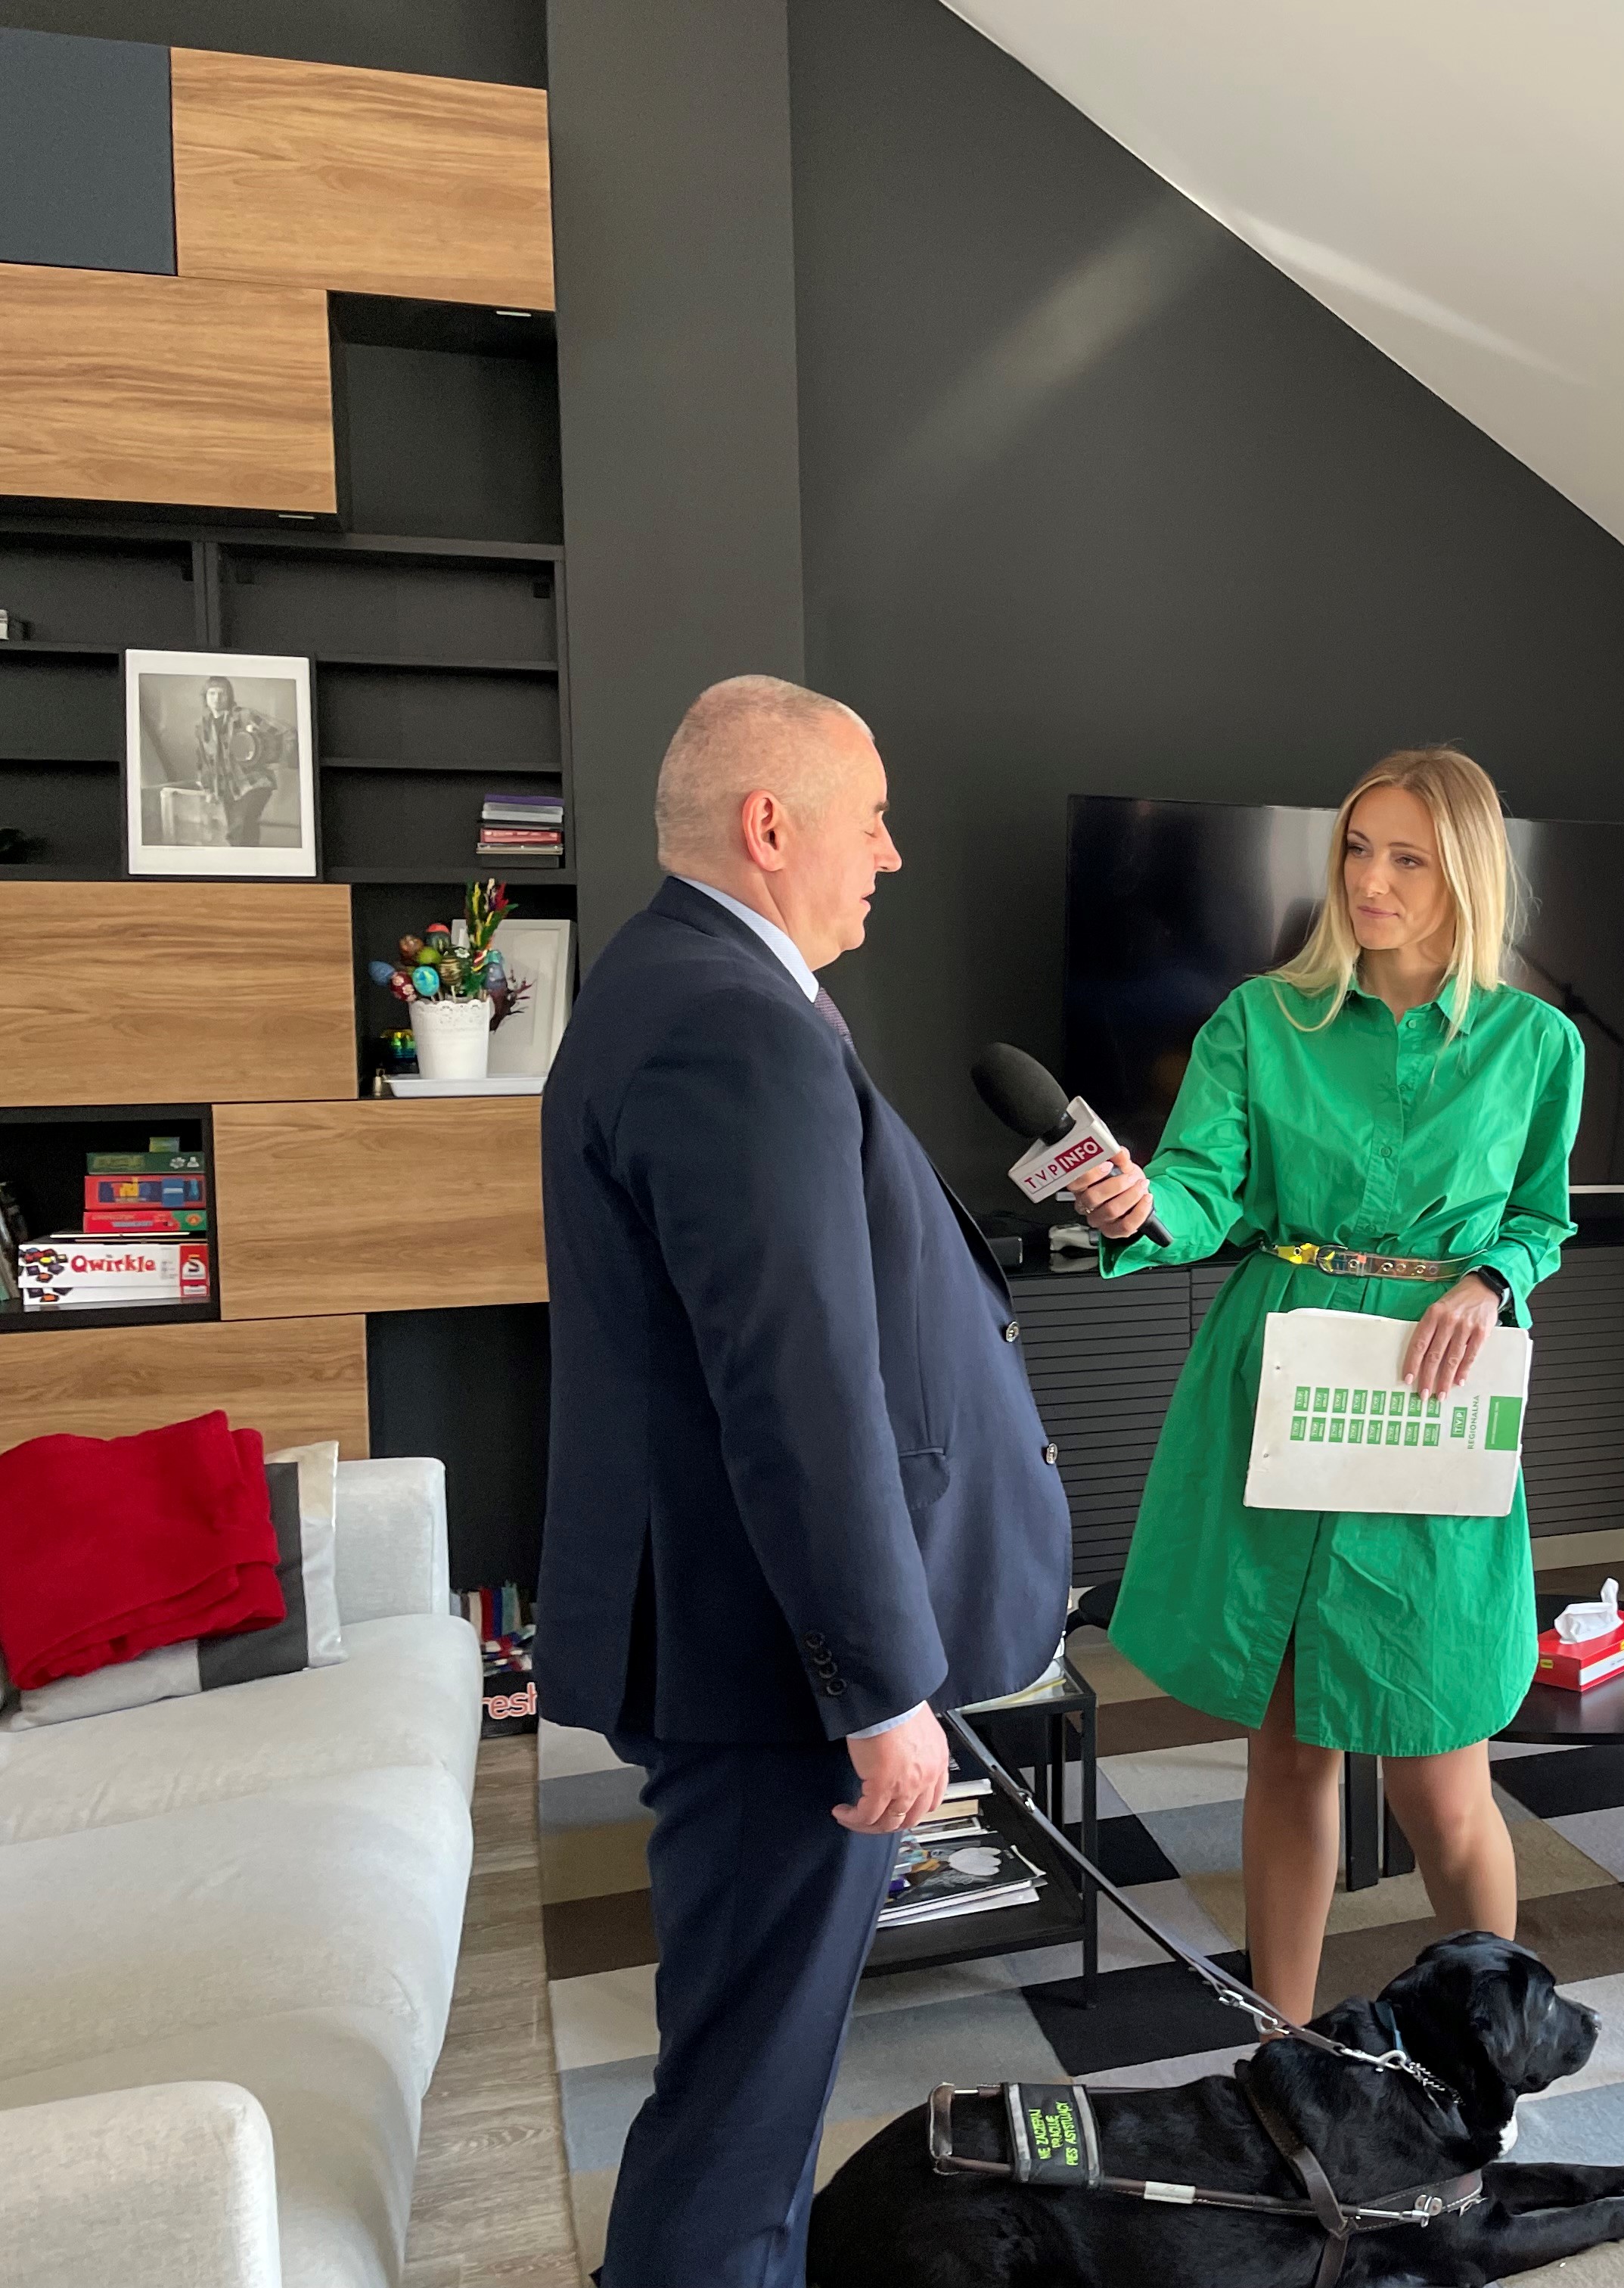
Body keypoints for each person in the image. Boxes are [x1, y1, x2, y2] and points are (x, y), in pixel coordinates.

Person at [536, 675, 1072, 2288]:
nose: (893, 854)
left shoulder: (677, 982)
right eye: (872, 818)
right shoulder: (728, 1020)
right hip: (767, 1665)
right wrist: (880, 1682)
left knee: (746, 2079)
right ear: (768, 826)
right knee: (743, 2102)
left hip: (737, 1637)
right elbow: (794, 1384)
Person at [1066, 745, 1582, 2023]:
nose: (1370, 880)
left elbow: (1541, 1217)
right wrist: (1141, 1204)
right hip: (1284, 1385)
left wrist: (1490, 1280)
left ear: (1466, 875)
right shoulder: (1260, 1020)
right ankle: (1279, 2047)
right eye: (1358, 848)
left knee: (1439, 1776)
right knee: (1291, 1751)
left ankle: (1496, 2064)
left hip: (1434, 1397)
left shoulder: (1537, 1043)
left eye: (1407, 858)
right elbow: (1202, 1188)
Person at [193, 675, 288, 846]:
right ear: (205, 697)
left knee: (238, 831)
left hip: (254, 783)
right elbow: (203, 762)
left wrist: (276, 758)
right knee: (245, 831)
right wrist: (208, 790)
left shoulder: (245, 716)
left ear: (229, 696)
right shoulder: (203, 727)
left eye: (222, 693)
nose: (217, 698)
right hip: (228, 788)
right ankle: (251, 861)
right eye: (212, 693)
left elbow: (282, 731)